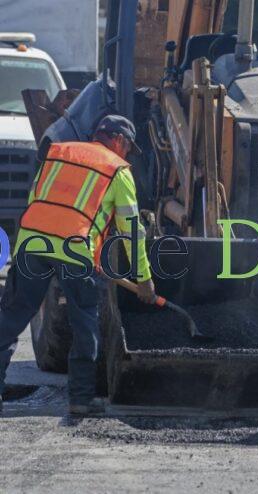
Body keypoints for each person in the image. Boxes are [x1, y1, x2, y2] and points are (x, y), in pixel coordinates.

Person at [0, 115, 156, 415]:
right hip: (74, 252)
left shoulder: (59, 153)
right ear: (120, 141)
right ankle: (81, 400)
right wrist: (144, 279)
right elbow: (132, 231)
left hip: (31, 244)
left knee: (11, 317)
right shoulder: (118, 171)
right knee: (84, 322)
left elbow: (37, 199)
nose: (126, 154)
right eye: (128, 147)